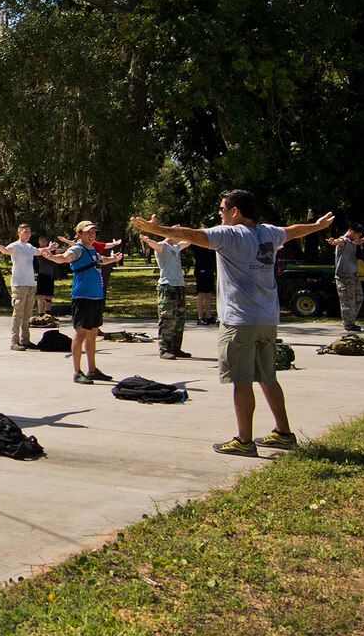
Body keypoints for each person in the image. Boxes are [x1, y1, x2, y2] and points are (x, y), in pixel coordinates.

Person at [130, 193, 333, 456]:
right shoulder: (269, 232)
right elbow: (294, 230)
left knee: (241, 380)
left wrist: (155, 229)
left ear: (235, 211)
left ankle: (244, 441)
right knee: (268, 378)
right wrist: (317, 226)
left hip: (240, 320)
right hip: (267, 319)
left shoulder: (230, 235)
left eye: (222, 208)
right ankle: (284, 434)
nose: (219, 213)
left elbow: (191, 234)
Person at [40, 221, 122, 383]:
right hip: (82, 298)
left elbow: (100, 260)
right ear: (79, 235)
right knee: (80, 334)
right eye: (87, 232)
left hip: (96, 297)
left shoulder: (92, 250)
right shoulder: (77, 249)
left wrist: (112, 260)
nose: (92, 235)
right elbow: (65, 258)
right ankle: (77, 372)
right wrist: (52, 257)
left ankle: (92, 370)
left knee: (92, 334)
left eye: (93, 232)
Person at [135, 226, 192, 358]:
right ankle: (165, 349)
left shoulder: (176, 247)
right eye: (178, 234)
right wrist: (147, 239)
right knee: (167, 318)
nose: (180, 237)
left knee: (179, 318)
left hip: (179, 286)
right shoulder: (163, 246)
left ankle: (176, 347)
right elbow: (154, 245)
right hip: (168, 287)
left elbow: (188, 241)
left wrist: (193, 234)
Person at [0, 223, 41, 350]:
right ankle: (14, 341)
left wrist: (49, 249)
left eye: (29, 231)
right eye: (24, 231)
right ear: (18, 233)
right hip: (19, 284)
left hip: (30, 284)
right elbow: (6, 251)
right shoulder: (16, 245)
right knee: (18, 313)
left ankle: (25, 340)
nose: (27, 234)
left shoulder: (29, 247)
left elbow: (39, 252)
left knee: (27, 314)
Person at [327, 225, 364, 332]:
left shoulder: (352, 242)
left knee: (359, 298)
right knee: (347, 300)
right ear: (352, 232)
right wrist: (333, 242)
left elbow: (357, 242)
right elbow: (339, 242)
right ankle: (348, 324)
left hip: (353, 275)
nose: (358, 237)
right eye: (357, 235)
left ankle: (350, 320)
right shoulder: (344, 240)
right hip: (344, 276)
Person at [190, 243, 218, 325]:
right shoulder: (196, 245)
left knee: (209, 294)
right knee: (201, 294)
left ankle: (209, 316)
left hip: (209, 271)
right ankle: (200, 317)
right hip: (201, 271)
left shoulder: (211, 245)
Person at [34, 233, 57, 318]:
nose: (43, 242)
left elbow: (60, 251)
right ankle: (40, 313)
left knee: (49, 296)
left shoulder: (51, 251)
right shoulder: (38, 251)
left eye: (45, 241)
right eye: (42, 241)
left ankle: (48, 313)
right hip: (42, 275)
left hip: (50, 275)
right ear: (39, 242)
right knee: (41, 295)